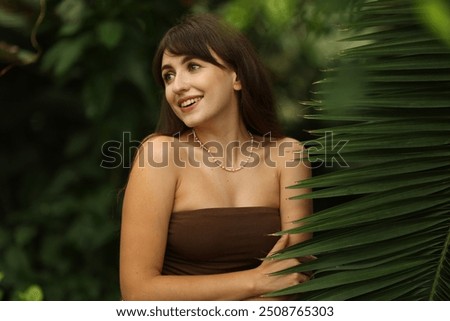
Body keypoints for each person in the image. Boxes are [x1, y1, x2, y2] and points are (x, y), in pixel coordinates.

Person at [119, 13, 313, 301]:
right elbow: (138, 292)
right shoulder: (160, 155)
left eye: (193, 66)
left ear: (237, 76)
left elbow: (294, 274)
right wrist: (255, 281)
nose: (177, 86)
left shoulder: (288, 156)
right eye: (168, 75)